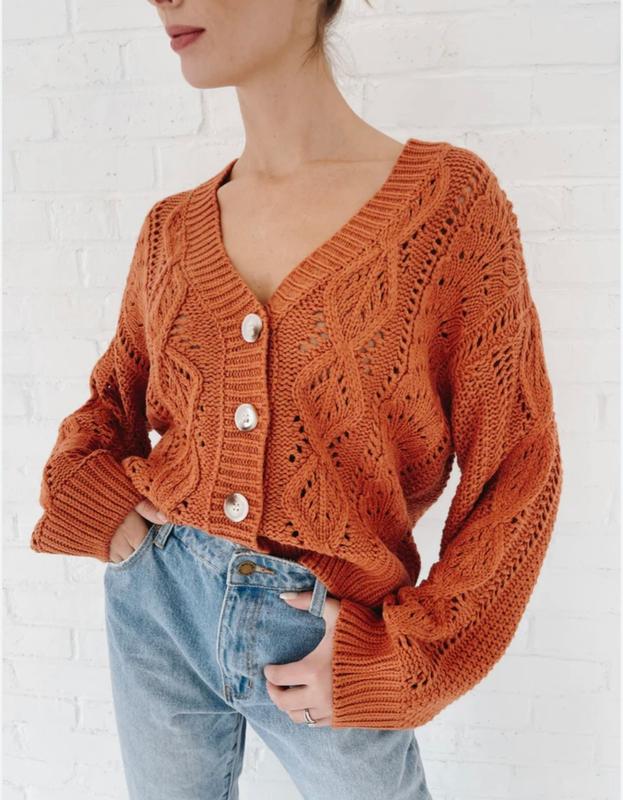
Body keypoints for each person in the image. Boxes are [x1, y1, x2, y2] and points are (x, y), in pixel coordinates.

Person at [29, 1, 563, 798]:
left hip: (330, 633)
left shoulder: (448, 207)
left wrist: (412, 656)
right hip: (156, 602)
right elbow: (111, 401)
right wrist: (102, 510)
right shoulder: (171, 230)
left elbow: (517, 464)